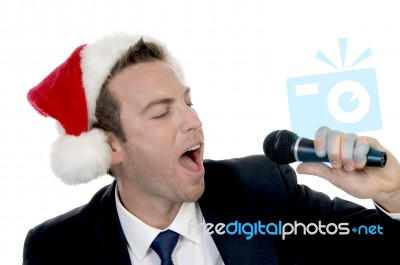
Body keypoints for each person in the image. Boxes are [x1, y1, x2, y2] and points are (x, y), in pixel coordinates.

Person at [23, 32, 400, 265]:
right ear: (110, 146)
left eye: (188, 102)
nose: (192, 121)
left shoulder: (261, 191)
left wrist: (394, 196)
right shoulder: (55, 249)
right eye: (161, 114)